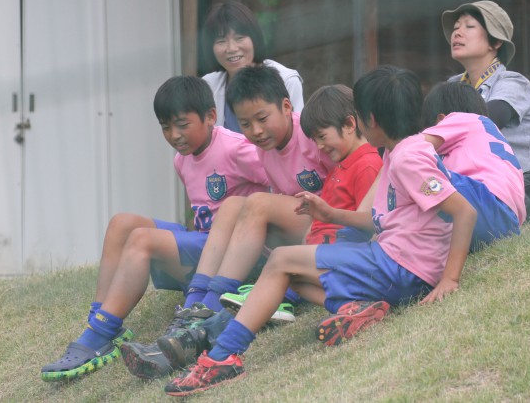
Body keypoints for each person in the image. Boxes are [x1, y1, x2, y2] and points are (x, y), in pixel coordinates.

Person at [161, 66, 477, 396]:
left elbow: (464, 212)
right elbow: (380, 220)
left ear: (369, 120)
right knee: (292, 272)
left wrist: (449, 278)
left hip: (401, 268)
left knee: (281, 261)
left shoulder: (407, 157)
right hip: (394, 263)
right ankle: (354, 308)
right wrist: (330, 213)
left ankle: (222, 357)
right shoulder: (399, 153)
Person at [39, 76, 270, 382]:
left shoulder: (236, 148)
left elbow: (275, 187)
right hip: (206, 245)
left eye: (182, 124)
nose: (174, 135)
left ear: (211, 116)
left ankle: (100, 334)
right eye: (165, 127)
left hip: (236, 255)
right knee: (122, 224)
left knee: (142, 240)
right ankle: (100, 322)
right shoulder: (182, 160)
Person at [152, 81, 382, 372]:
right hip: (314, 244)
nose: (320, 146)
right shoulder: (333, 160)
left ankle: (210, 333)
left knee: (275, 263)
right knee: (272, 260)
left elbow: (370, 223)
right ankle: (202, 319)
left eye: (322, 138)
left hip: (331, 249)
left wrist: (329, 216)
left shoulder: (361, 161)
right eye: (246, 123)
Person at [441, 0, 530, 171]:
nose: (457, 33)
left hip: (526, 184)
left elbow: (486, 121)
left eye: (469, 26)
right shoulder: (453, 84)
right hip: (476, 181)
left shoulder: (513, 82)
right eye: (456, 27)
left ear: (496, 42)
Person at [421, 81, 526, 251]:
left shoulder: (461, 119)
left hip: (480, 205)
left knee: (417, 166)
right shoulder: (487, 132)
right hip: (508, 224)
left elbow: (409, 149)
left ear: (441, 120)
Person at [200, 1, 304, 132]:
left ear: (254, 38)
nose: (231, 48)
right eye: (221, 41)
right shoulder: (207, 86)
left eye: (239, 38)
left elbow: (298, 134)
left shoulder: (287, 80)